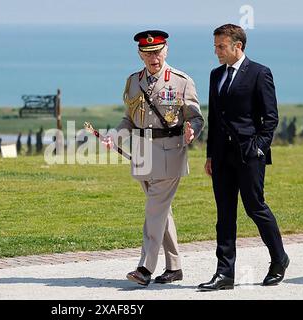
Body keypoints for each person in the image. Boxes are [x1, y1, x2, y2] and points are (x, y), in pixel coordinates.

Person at [104, 30, 204, 286]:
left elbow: (196, 117)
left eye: (157, 52)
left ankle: (145, 268)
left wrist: (192, 130)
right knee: (161, 210)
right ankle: (175, 267)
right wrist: (114, 137)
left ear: (166, 51)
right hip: (142, 155)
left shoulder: (181, 81)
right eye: (147, 53)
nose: (153, 57)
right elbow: (129, 119)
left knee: (154, 211)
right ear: (140, 54)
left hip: (170, 153)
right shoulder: (133, 81)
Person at [200, 24, 289, 291]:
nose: (216, 51)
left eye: (221, 46)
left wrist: (258, 148)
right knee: (225, 214)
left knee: (255, 208)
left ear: (237, 46)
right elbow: (214, 119)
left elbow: (270, 118)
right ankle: (224, 274)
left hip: (250, 155)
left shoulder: (260, 73)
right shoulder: (216, 75)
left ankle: (279, 259)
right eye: (215, 46)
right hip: (222, 157)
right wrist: (210, 155)